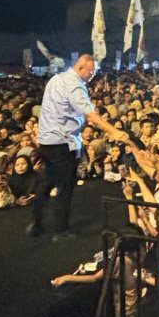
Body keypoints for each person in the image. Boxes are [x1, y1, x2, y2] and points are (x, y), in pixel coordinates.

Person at [29, 54, 131, 239]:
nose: (93, 75)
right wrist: (114, 131)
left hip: (46, 140)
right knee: (65, 186)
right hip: (62, 142)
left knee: (47, 181)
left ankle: (36, 222)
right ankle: (60, 230)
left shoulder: (56, 79)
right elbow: (90, 115)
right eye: (91, 71)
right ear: (81, 67)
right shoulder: (75, 85)